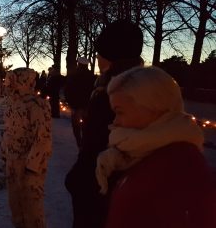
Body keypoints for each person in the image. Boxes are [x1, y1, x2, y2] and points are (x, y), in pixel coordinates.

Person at [98, 66, 215, 228]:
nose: (115, 121)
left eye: (120, 112)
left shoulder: (182, 167)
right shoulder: (139, 151)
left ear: (155, 109)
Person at [65, 19, 144, 228]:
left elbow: (97, 148)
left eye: (100, 54)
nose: (97, 59)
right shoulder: (143, 87)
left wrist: (76, 179)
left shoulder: (112, 94)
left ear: (111, 56)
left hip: (100, 193)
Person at [1, 67, 52, 228]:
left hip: (29, 166)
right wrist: (5, 151)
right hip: (12, 161)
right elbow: (8, 130)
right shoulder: (11, 103)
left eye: (14, 80)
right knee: (16, 205)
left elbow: (42, 139)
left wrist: (32, 167)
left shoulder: (37, 105)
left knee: (32, 210)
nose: (10, 83)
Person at [64, 57, 96, 147]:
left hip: (76, 106)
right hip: (88, 106)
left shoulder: (73, 76)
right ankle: (86, 143)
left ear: (79, 64)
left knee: (76, 126)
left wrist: (69, 102)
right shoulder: (92, 76)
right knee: (87, 126)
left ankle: (79, 143)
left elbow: (68, 90)